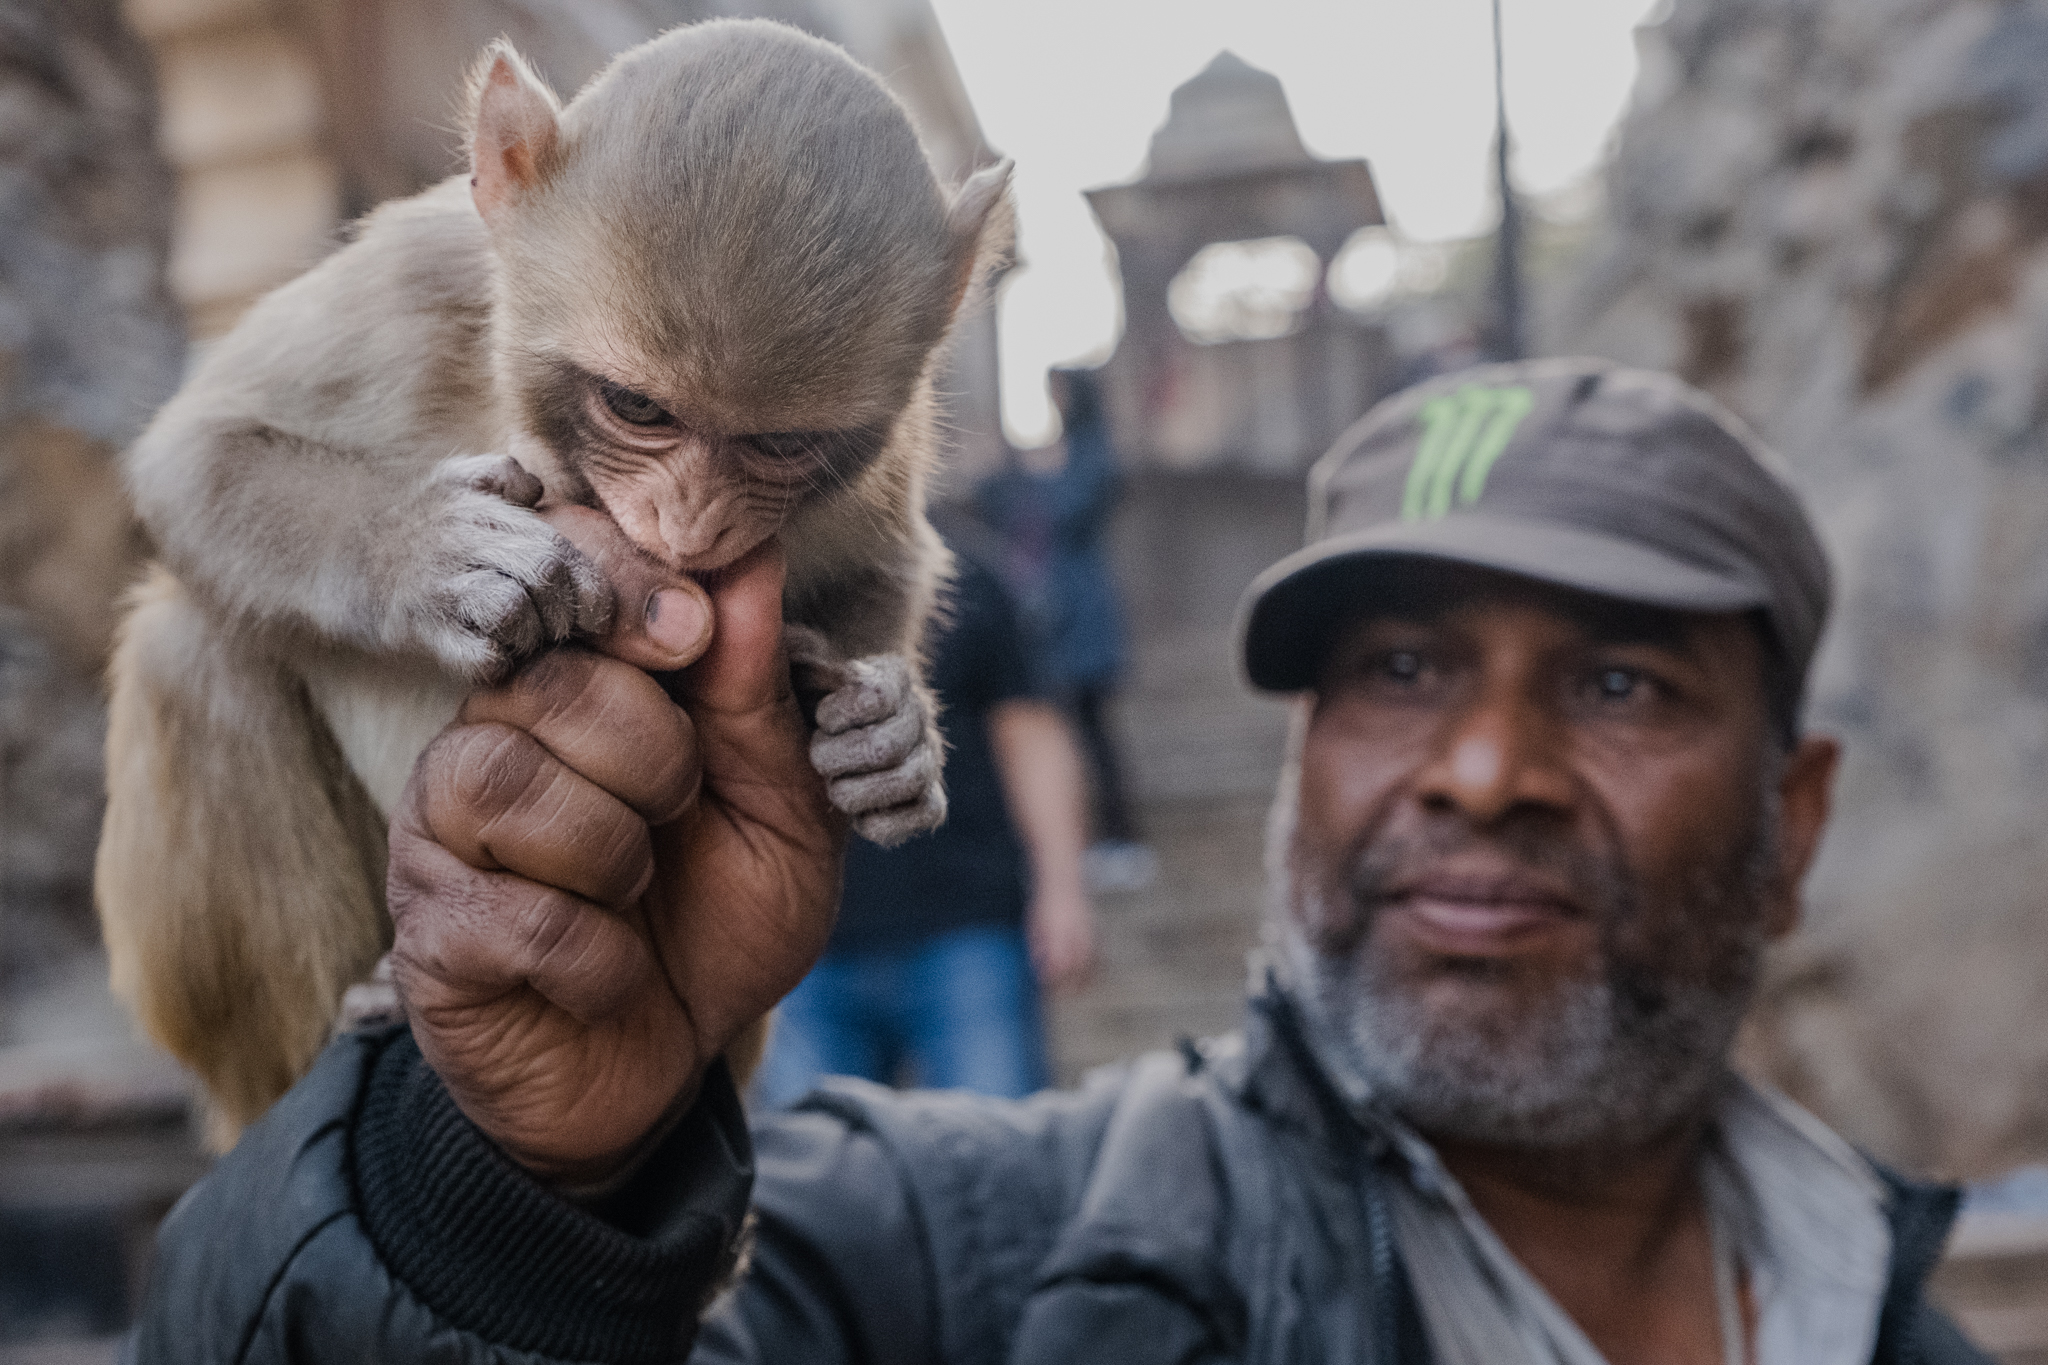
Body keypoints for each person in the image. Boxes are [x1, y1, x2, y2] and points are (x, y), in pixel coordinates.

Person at [129, 359, 1989, 1365]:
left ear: (1791, 821)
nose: (1483, 768)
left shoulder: (1893, 1327)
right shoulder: (963, 1262)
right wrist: (510, 1196)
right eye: (1398, 671)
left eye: (1614, 680)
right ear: (1297, 770)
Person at [753, 533, 1094, 1106]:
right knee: (813, 1184)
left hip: (967, 929)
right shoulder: (753, 590)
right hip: (801, 948)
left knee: (999, 1166)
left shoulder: (961, 574)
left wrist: (1064, 891)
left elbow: (1031, 734)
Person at [979, 366, 1153, 887]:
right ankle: (1070, 841)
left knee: (1095, 732)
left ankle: (1121, 839)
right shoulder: (1041, 463)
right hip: (1043, 621)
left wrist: (1031, 474)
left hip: (1085, 620)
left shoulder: (1094, 455)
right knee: (1059, 733)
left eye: (1056, 391)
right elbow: (997, 503)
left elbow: (1069, 508)